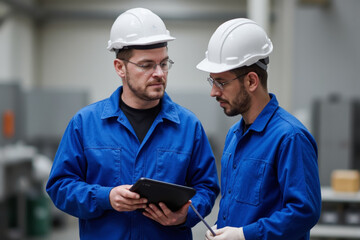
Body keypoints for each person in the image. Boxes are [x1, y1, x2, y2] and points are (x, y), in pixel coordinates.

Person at [46, 8, 219, 240]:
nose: (159, 73)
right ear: (120, 67)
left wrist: (185, 214)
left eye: (164, 63)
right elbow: (60, 187)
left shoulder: (188, 126)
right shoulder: (85, 124)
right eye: (147, 65)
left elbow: (206, 189)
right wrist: (105, 197)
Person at [196, 18, 321, 240]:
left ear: (252, 81)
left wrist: (245, 235)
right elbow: (238, 202)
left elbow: (304, 212)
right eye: (212, 81)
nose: (213, 92)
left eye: (221, 82)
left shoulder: (290, 137)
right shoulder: (234, 135)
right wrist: (222, 227)